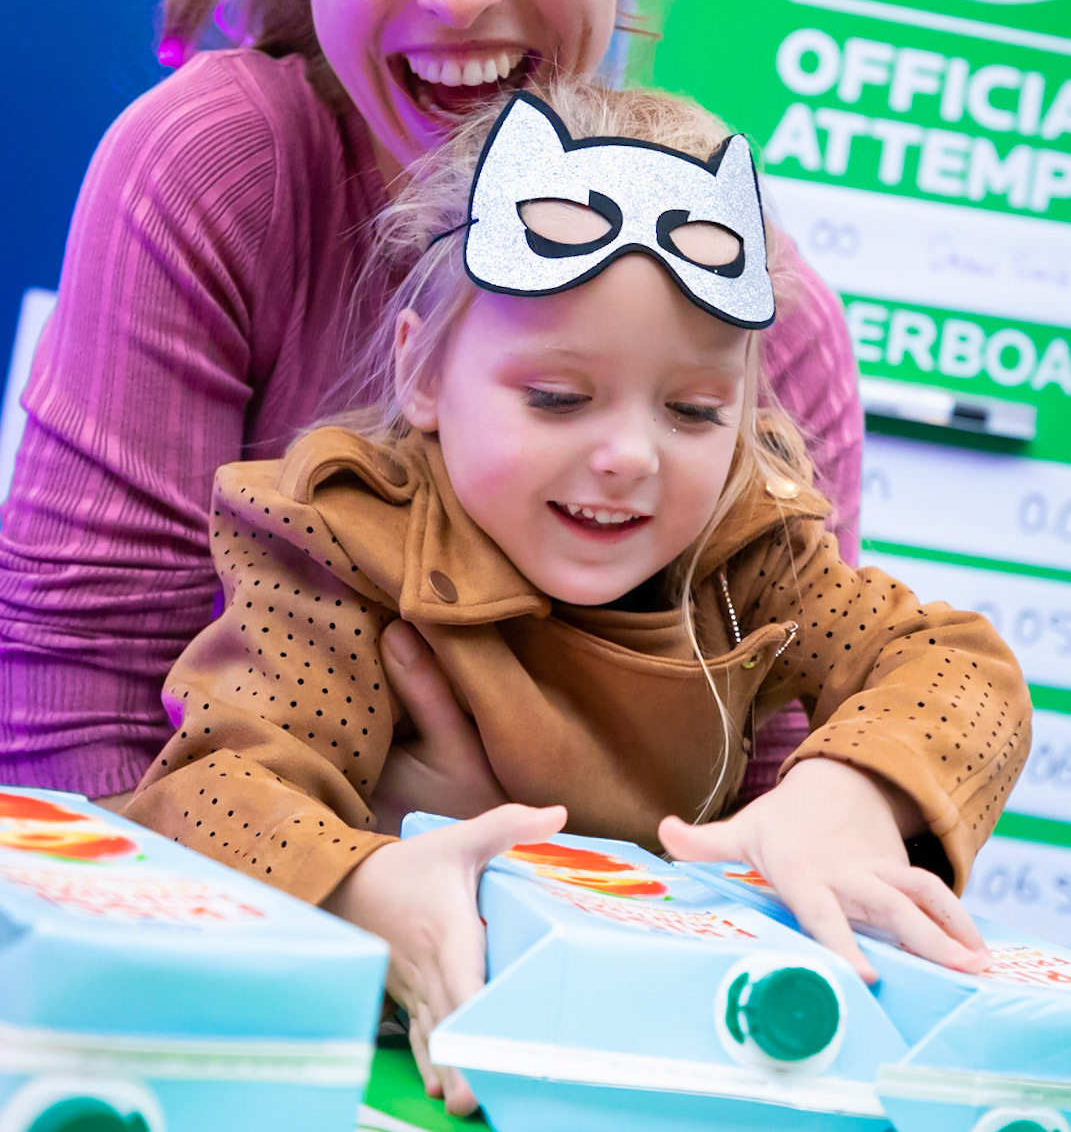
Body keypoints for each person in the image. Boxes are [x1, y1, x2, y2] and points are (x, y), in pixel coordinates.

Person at [0, 0, 860, 808]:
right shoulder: (213, 177)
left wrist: (524, 861)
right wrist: (337, 893)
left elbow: (790, 759)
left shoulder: (769, 312)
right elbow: (73, 695)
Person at [127, 78, 1030, 1117]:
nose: (627, 457)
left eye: (694, 410)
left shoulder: (752, 554)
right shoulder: (344, 542)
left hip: (663, 1064)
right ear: (423, 372)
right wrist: (369, 893)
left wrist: (848, 798)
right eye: (556, 397)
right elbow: (204, 794)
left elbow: (955, 667)